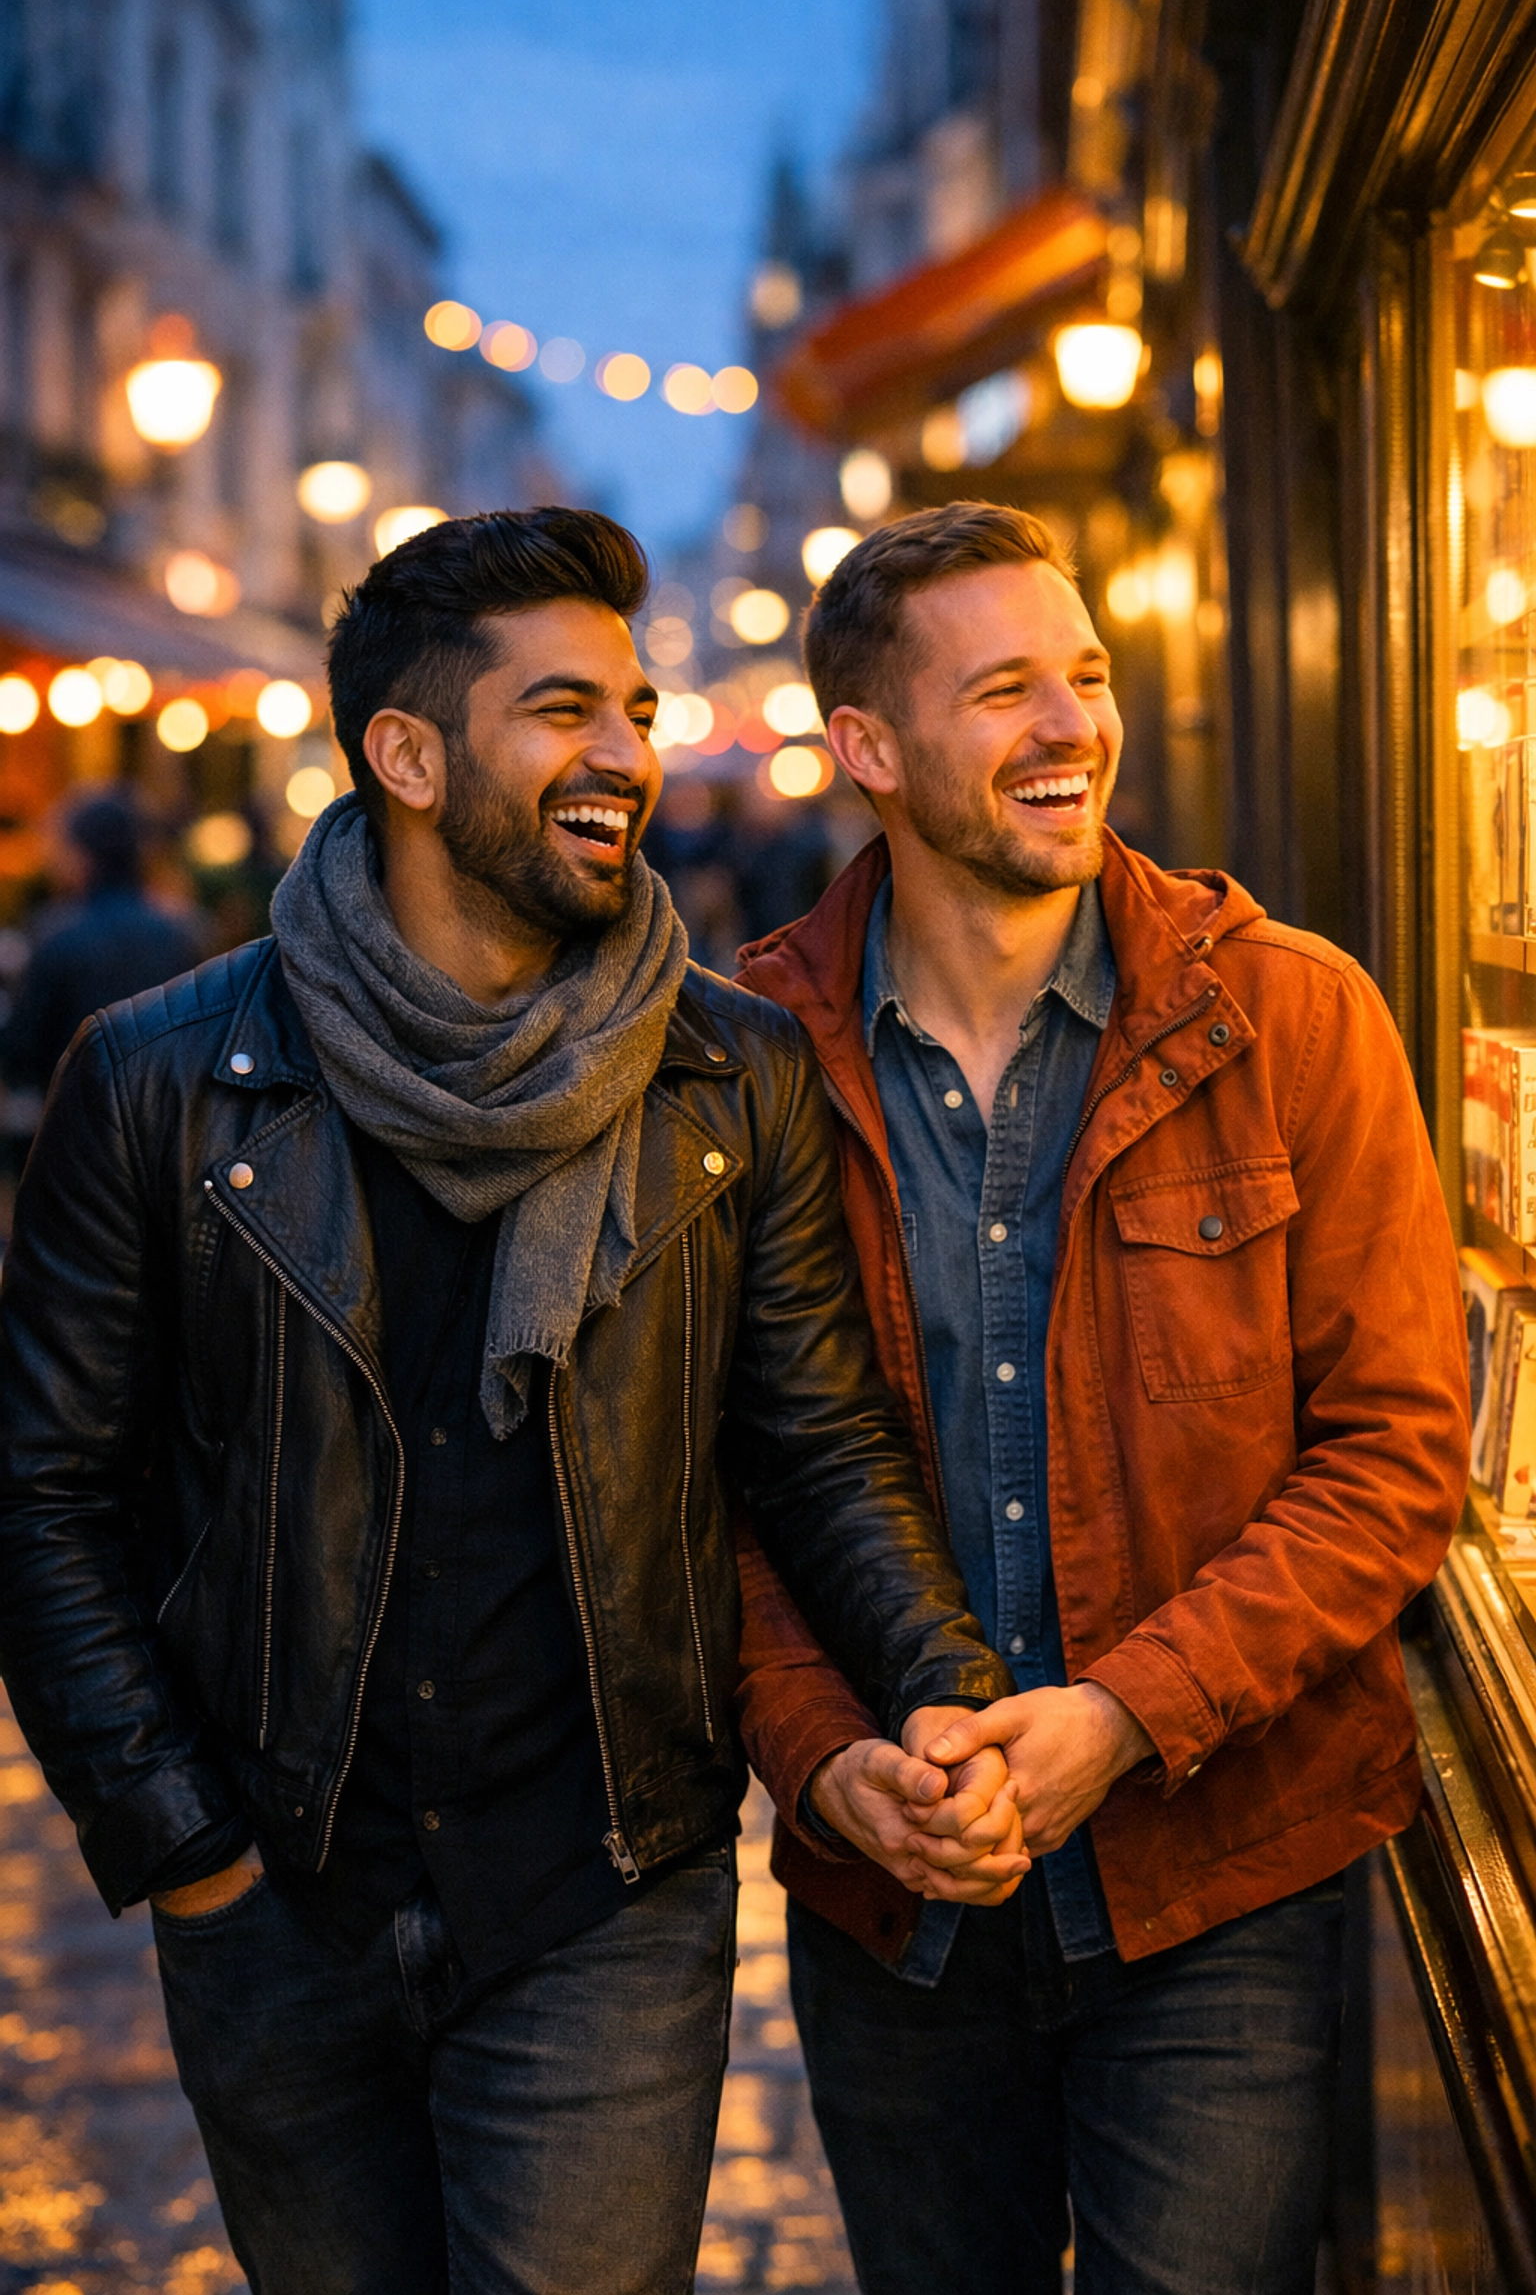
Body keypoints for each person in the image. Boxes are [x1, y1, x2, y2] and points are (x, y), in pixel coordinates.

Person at [0, 509, 1028, 2293]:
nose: (625, 754)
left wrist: (948, 1682)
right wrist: (183, 1842)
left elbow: (814, 1441)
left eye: (631, 708)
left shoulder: (732, 1066)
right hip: (278, 1891)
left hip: (605, 1887)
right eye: (564, 710)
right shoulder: (164, 1077)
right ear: (408, 755)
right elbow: (40, 1491)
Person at [732, 502, 1471, 2295]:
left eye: (1085, 674)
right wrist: (826, 1758)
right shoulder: (740, 1053)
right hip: (895, 1895)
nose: (1072, 725)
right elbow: (696, 1481)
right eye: (1004, 689)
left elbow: (1393, 1456)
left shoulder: (1291, 1014)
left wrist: (1122, 1715)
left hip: (1218, 1870)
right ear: (870, 750)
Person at [0, 790, 201, 1092]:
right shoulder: (181, 933)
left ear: (83, 855)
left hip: (78, 1112)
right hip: (163, 1111)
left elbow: (23, 1050)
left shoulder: (59, 935)